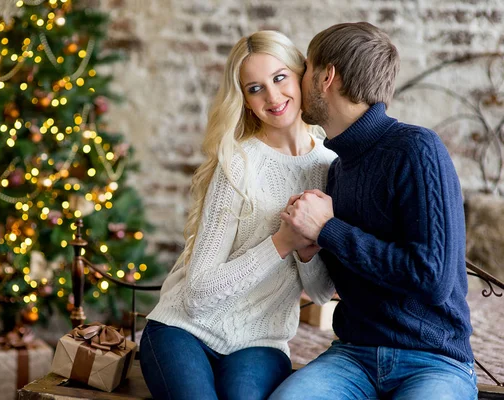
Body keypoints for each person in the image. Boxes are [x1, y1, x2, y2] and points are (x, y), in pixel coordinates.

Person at [269, 22, 477, 400]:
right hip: (353, 357)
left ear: (326, 76)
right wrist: (309, 246)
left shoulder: (417, 149)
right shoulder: (338, 169)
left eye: (306, 70)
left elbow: (433, 279)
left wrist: (329, 229)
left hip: (434, 360)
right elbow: (342, 278)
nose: (296, 85)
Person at [139, 30, 336, 400]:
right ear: (244, 101)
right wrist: (282, 242)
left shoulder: (331, 168)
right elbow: (197, 295)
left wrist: (306, 250)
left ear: (300, 76)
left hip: (261, 343)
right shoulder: (238, 163)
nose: (273, 97)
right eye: (255, 88)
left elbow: (322, 292)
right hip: (183, 329)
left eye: (279, 78)